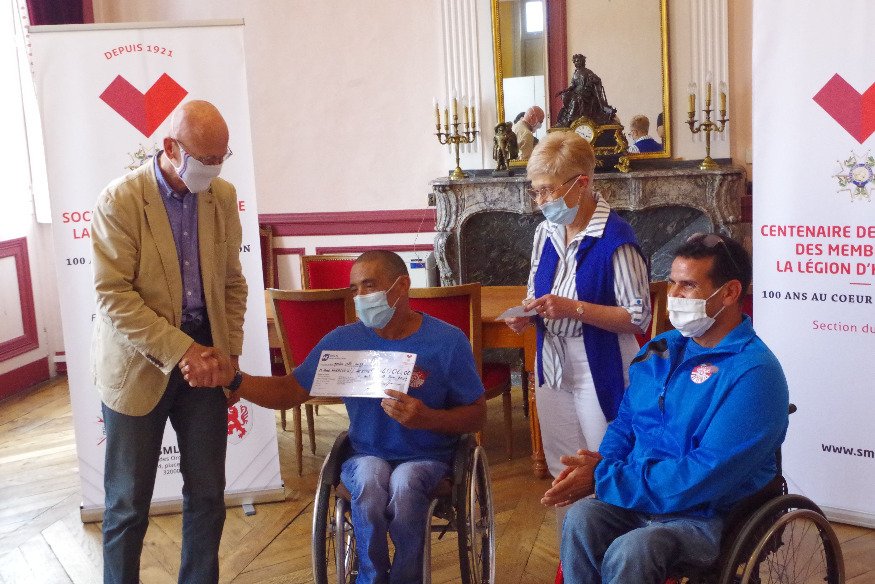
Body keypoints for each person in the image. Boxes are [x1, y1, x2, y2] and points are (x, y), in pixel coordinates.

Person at [183, 250, 486, 584]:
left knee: (405, 483)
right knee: (369, 480)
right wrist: (234, 379)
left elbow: (477, 415)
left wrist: (427, 418)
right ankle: (370, 579)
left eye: (369, 286)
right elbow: (288, 391)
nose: (360, 297)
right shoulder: (343, 341)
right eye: (355, 289)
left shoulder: (447, 342)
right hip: (366, 453)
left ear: (402, 286)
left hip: (427, 456)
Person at [544, 233, 789, 584]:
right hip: (641, 497)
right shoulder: (661, 349)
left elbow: (706, 472)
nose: (672, 294)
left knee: (633, 549)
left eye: (688, 285)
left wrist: (604, 477)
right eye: (672, 282)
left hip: (706, 514)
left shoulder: (754, 372)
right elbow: (626, 424)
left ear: (730, 293)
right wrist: (601, 466)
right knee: (581, 519)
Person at [91, 100, 246, 584]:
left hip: (207, 358)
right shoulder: (120, 200)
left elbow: (232, 283)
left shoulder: (222, 196)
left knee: (208, 495)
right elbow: (114, 296)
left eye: (221, 158)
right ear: (171, 148)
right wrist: (183, 350)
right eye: (205, 159)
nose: (214, 169)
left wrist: (229, 357)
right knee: (127, 504)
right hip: (138, 363)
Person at [503, 131, 651, 541]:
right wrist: (528, 313)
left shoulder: (616, 239)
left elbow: (638, 317)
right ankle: (572, 562)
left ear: (581, 183)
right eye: (535, 191)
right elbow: (536, 291)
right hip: (552, 363)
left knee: (606, 467)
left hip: (601, 363)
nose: (540, 201)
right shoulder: (545, 233)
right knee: (562, 469)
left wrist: (574, 309)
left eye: (547, 191)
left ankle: (616, 557)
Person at [556, 54, 617, 128]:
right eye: (575, 61)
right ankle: (566, 116)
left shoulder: (587, 72)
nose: (577, 62)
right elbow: (572, 86)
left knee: (576, 100)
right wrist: (563, 91)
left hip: (586, 92)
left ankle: (570, 119)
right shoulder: (575, 73)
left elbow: (597, 80)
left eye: (578, 61)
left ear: (582, 62)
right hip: (576, 91)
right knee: (565, 96)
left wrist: (593, 81)